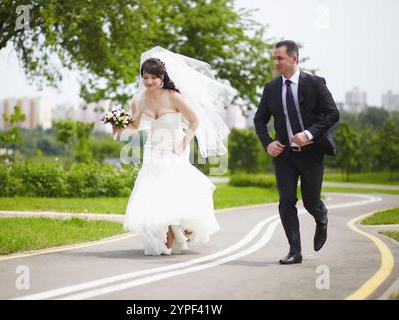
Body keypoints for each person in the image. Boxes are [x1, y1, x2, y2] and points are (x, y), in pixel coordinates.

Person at [114, 47, 236, 255]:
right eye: (145, 77)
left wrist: (183, 144)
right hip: (153, 151)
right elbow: (134, 126)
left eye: (153, 77)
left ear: (162, 77)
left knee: (172, 192)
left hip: (175, 149)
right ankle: (175, 238)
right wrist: (118, 128)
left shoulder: (173, 96)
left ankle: (176, 238)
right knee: (156, 194)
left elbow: (194, 121)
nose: (149, 82)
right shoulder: (138, 100)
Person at [253, 40, 339, 264]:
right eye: (274, 58)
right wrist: (268, 143)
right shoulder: (271, 88)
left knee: (311, 202)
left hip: (311, 153)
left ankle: (321, 217)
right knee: (286, 201)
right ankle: (295, 251)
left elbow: (332, 114)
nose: (275, 62)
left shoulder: (315, 83)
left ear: (294, 58)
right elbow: (259, 119)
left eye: (279, 58)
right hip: (285, 156)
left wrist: (309, 134)